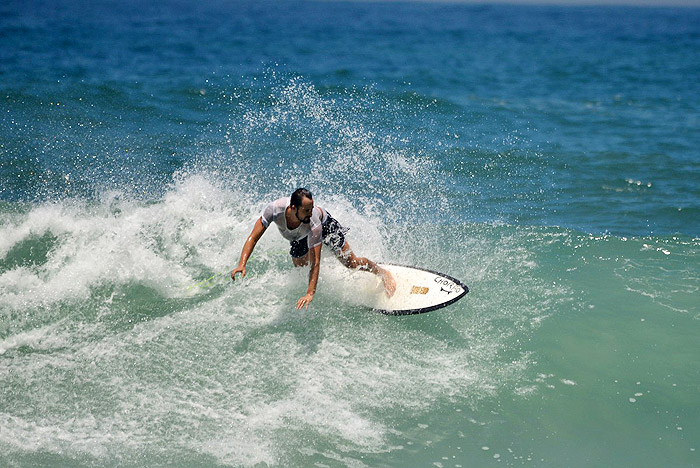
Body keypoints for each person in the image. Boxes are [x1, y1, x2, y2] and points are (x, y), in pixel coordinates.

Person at [231, 188, 396, 310]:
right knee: (300, 268)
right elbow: (253, 237)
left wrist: (310, 293)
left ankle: (382, 273)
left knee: (351, 262)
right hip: (298, 238)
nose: (310, 213)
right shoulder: (274, 210)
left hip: (326, 227)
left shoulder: (313, 221)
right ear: (293, 208)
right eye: (306, 210)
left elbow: (315, 262)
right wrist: (242, 264)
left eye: (312, 209)